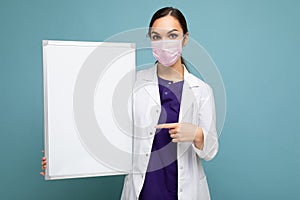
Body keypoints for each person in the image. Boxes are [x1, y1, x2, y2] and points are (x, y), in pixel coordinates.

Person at [41, 7, 218, 200]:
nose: (164, 43)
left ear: (185, 38)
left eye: (172, 35)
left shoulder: (202, 91)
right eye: (156, 37)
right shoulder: (131, 84)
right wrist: (60, 159)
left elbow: (210, 151)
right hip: (144, 189)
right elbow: (103, 129)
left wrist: (197, 134)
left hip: (185, 190)